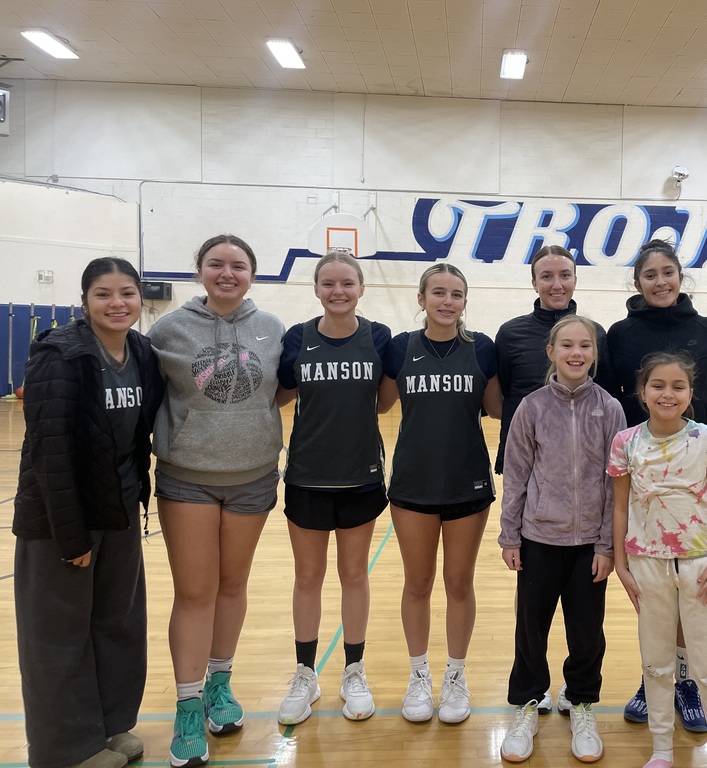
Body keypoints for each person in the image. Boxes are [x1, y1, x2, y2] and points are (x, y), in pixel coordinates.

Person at [13, 258, 163, 768]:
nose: (117, 303)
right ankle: (65, 750)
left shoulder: (141, 352)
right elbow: (48, 452)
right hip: (62, 522)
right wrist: (69, 536)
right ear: (84, 301)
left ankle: (107, 727)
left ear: (140, 300)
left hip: (118, 511)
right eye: (103, 294)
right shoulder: (61, 355)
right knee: (58, 634)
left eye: (127, 293)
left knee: (115, 624)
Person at [148, 235, 285, 768]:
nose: (227, 273)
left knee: (232, 586)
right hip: (188, 477)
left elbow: (283, 389)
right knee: (195, 592)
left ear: (253, 272)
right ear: (200, 270)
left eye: (238, 265)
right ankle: (186, 705)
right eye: (216, 264)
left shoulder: (272, 329)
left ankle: (219, 686)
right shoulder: (167, 329)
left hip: (253, 477)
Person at [606, 239, 707, 729]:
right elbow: (606, 395)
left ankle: (685, 681)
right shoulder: (619, 333)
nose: (660, 282)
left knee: (690, 586)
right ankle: (654, 678)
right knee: (654, 590)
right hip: (643, 473)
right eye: (650, 275)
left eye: (668, 272)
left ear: (680, 277)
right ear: (637, 282)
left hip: (694, 471)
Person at [274, 249, 396, 725]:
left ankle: (354, 670)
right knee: (307, 577)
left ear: (361, 289)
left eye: (347, 283)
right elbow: (282, 393)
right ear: (317, 289)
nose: (338, 291)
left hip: (360, 476)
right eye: (329, 283)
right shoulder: (297, 338)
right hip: (307, 476)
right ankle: (305, 674)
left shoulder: (379, 338)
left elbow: (384, 405)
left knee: (354, 575)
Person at [498, 316, 626, 763]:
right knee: (531, 627)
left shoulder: (610, 408)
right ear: (550, 352)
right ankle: (529, 702)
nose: (576, 353)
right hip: (538, 538)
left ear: (594, 353)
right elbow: (515, 475)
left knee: (587, 632)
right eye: (566, 345)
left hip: (590, 544)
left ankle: (582, 701)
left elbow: (616, 484)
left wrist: (608, 545)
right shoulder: (531, 407)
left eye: (585, 346)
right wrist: (509, 535)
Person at [379, 264, 503, 724]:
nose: (447, 301)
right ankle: (418, 675)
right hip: (412, 482)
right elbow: (379, 404)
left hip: (467, 480)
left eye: (456, 294)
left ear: (465, 301)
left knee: (458, 582)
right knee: (417, 582)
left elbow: (497, 409)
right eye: (438, 293)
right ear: (422, 298)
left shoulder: (482, 349)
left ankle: (455, 675)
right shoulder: (399, 348)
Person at [609, 352, 707, 768]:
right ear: (642, 392)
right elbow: (619, 506)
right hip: (647, 566)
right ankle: (662, 749)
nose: (668, 394)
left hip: (703, 568)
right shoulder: (625, 442)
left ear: (691, 393)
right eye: (658, 386)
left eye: (678, 386)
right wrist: (620, 562)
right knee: (656, 662)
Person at [494, 244, 614, 475]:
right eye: (547, 276)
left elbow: (604, 395)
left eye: (565, 275)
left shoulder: (596, 333)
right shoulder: (510, 334)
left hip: (582, 456)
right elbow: (506, 393)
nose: (557, 285)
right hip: (525, 455)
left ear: (575, 280)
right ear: (534, 283)